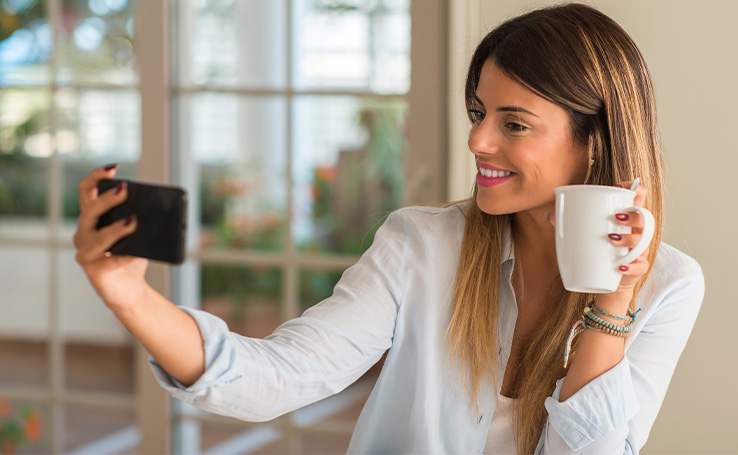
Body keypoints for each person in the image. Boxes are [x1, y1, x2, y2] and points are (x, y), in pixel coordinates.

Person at [74, 3, 704, 454]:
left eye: (513, 123)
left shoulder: (670, 284)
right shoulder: (421, 244)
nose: (476, 139)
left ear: (595, 141)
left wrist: (610, 308)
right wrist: (129, 294)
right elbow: (283, 376)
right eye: (479, 112)